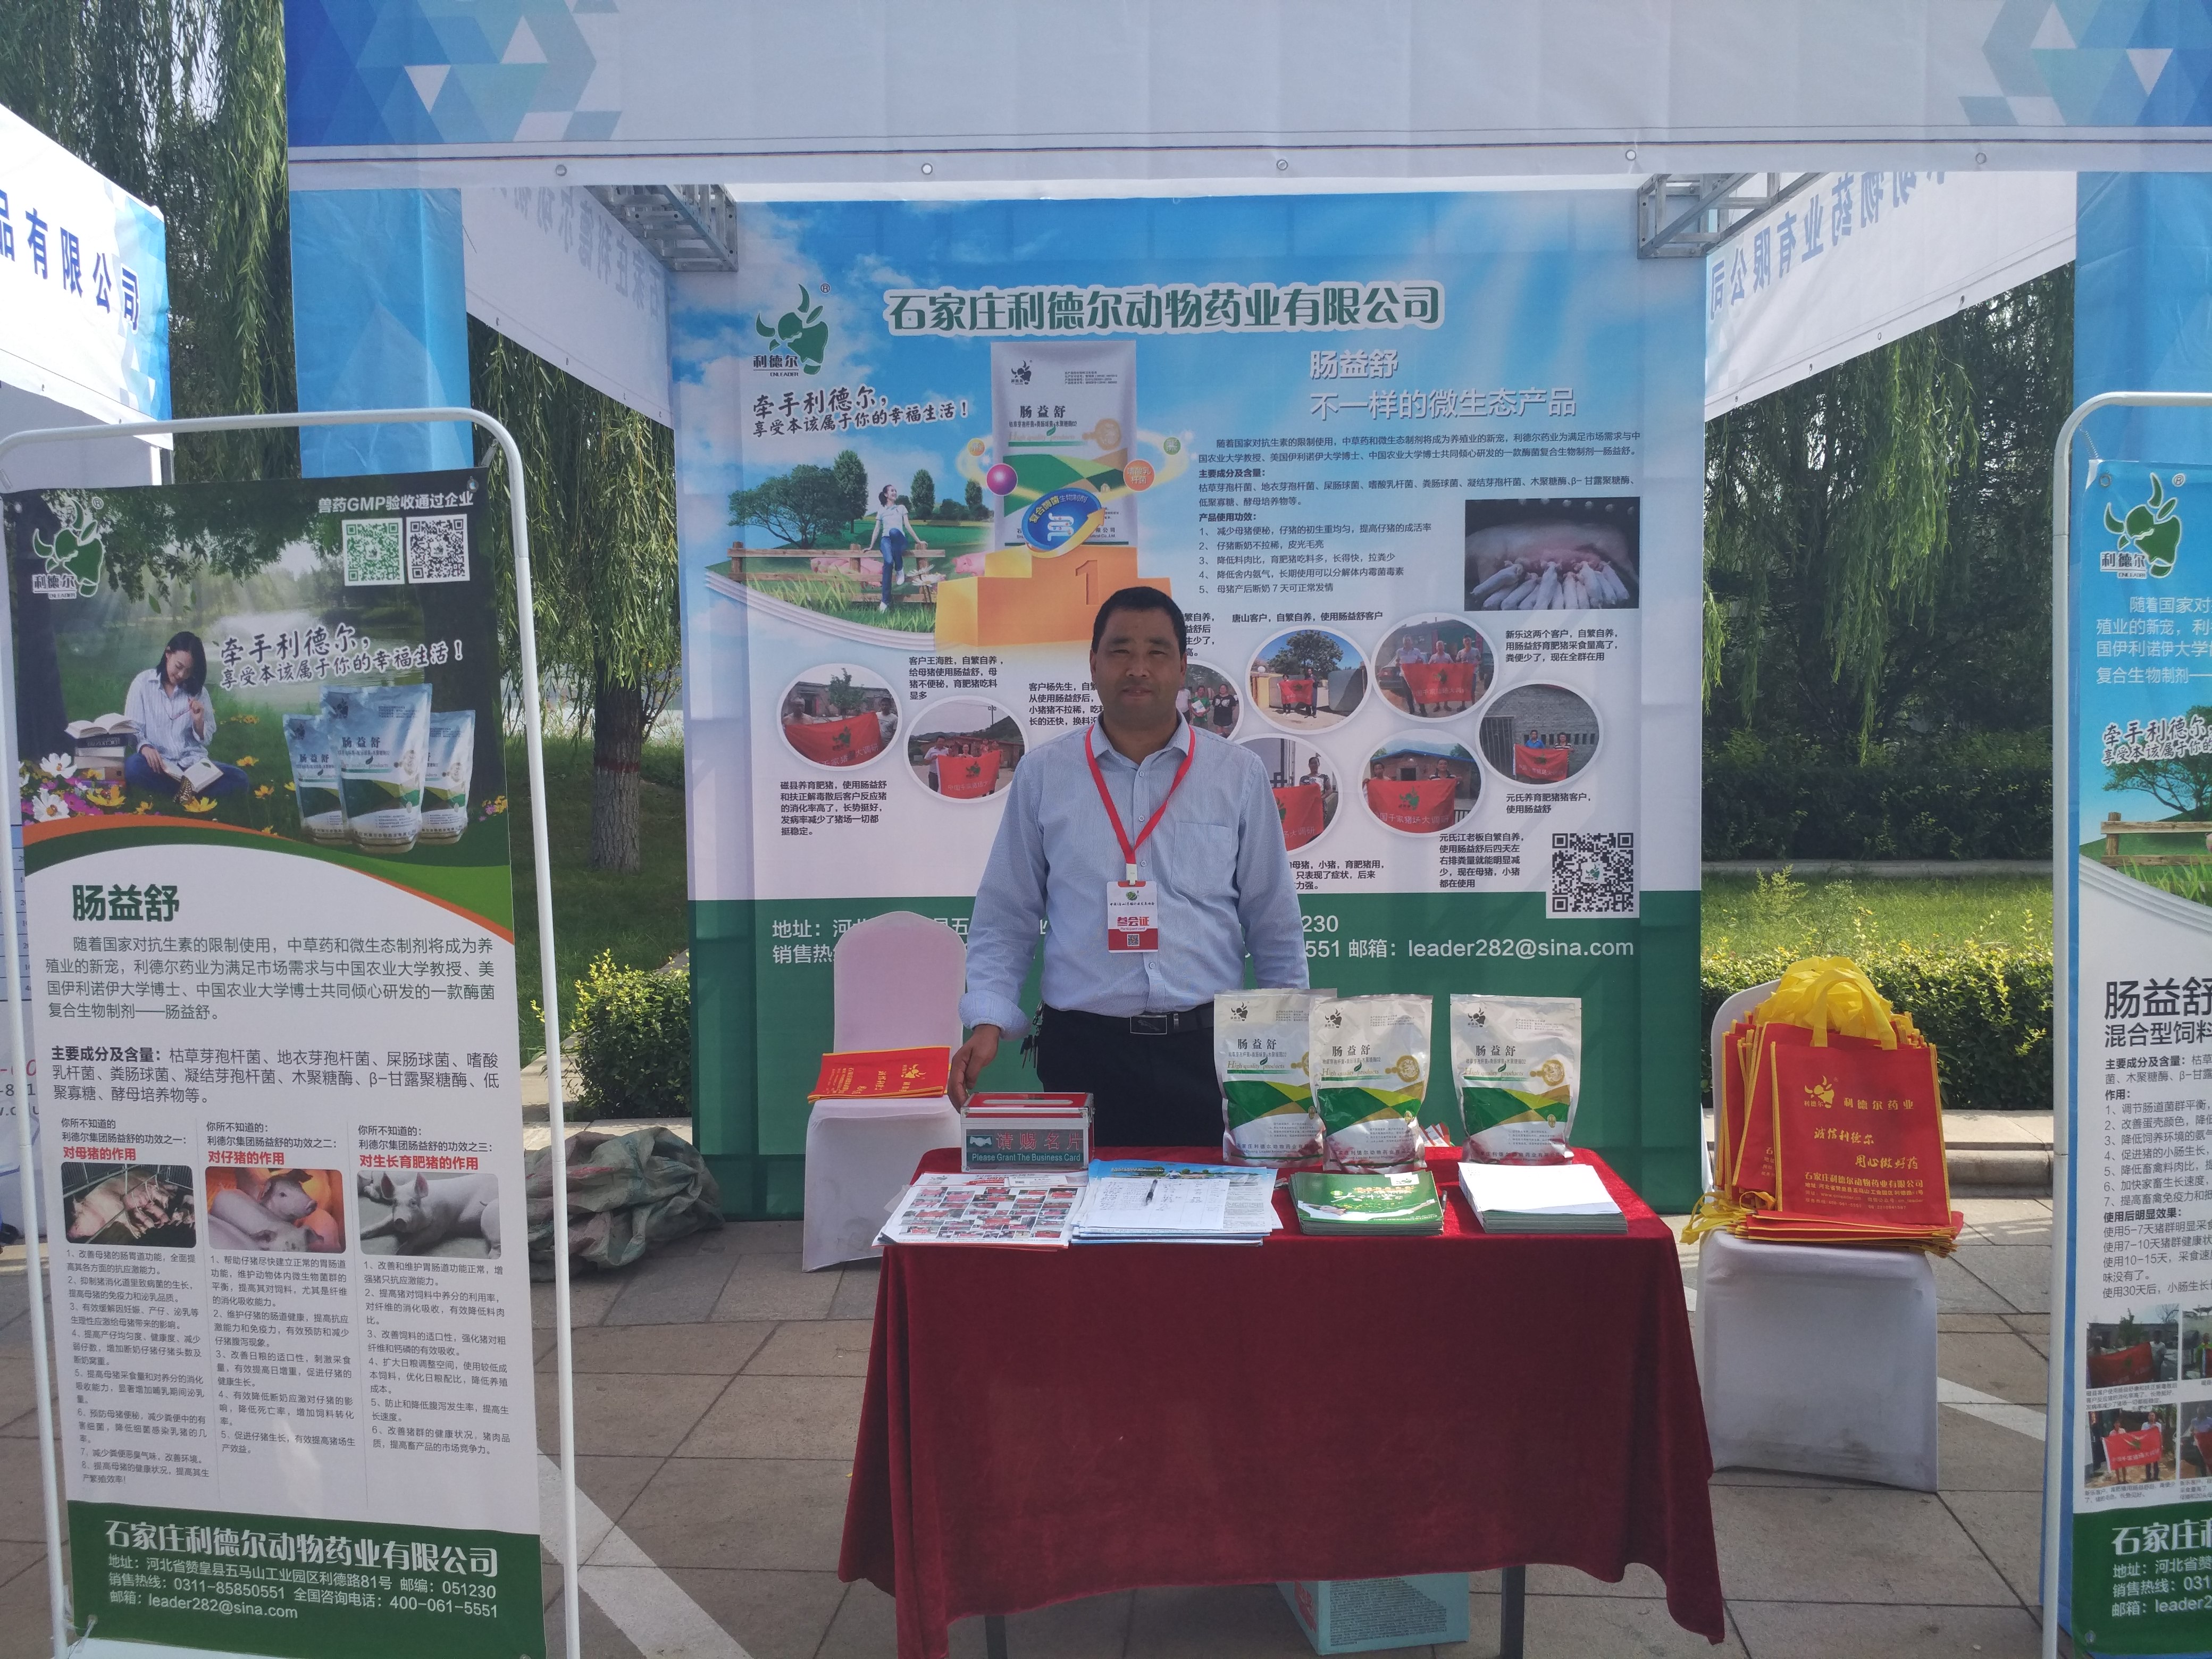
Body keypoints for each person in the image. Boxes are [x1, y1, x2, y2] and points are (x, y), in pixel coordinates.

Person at [950, 588, 1308, 1145]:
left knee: (1211, 1198)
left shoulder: (1237, 774)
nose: (1137, 668)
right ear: (1093, 662)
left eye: (1156, 652)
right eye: (1120, 651)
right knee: (1084, 1198)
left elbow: (1273, 916)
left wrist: (1292, 1034)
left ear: (1182, 666)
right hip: (1083, 1052)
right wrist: (989, 1019)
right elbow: (1006, 912)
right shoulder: (1044, 774)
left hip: (1208, 1052)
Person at [123, 632, 247, 800]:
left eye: (188, 671)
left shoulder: (199, 692)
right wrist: (145, 747)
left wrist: (199, 722)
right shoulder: (143, 683)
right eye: (179, 666)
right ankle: (191, 793)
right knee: (133, 766)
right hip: (160, 764)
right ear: (168, 654)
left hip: (193, 764)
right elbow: (132, 728)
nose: (182, 675)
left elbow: (206, 739)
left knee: (239, 778)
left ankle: (182, 791)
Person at [864, 483, 928, 611]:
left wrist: (918, 540)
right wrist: (871, 546)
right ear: (886, 494)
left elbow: (908, 526)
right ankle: (885, 601)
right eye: (892, 491)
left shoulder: (901, 508)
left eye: (895, 491)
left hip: (900, 539)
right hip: (886, 540)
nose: (895, 493)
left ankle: (900, 568)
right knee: (888, 563)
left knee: (894, 532)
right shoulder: (881, 511)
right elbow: (877, 529)